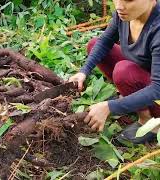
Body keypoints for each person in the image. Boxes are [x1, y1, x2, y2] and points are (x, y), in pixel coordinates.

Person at [68, 0, 160, 144]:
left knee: (124, 71)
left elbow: (158, 89)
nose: (119, 6)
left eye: (129, 0)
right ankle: (132, 97)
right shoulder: (124, 15)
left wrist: (110, 107)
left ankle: (150, 122)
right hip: (144, 74)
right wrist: (83, 71)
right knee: (94, 45)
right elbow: (105, 41)